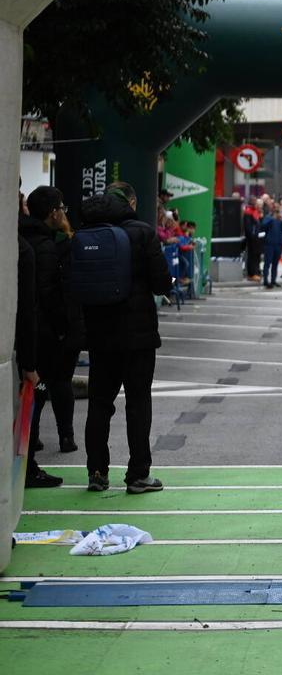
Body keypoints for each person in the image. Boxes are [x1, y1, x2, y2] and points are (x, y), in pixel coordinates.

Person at [79, 181, 172, 494]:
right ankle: (138, 474)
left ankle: (96, 471)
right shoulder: (143, 233)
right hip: (139, 336)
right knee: (138, 402)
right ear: (130, 202)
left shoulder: (86, 232)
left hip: (100, 335)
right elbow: (161, 283)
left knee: (100, 403)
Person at [21, 187, 84, 463]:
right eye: (60, 208)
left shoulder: (25, 238)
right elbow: (49, 293)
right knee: (55, 384)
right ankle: (63, 436)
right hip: (50, 331)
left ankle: (33, 439)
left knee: (38, 386)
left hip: (34, 330)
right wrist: (61, 327)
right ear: (52, 213)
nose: (63, 213)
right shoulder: (47, 246)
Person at [260, 205, 282, 289]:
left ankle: (273, 280)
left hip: (279, 244)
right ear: (273, 211)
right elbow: (263, 226)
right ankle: (266, 280)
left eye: (279, 211)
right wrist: (272, 218)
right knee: (267, 263)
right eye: (276, 211)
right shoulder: (269, 217)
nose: (278, 213)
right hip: (269, 244)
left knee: (275, 264)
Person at [242, 197, 263, 281]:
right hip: (252, 239)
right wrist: (252, 235)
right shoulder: (248, 212)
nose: (256, 204)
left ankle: (256, 272)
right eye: (255, 202)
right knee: (252, 256)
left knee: (256, 256)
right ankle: (252, 273)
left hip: (257, 238)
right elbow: (249, 228)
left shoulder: (255, 212)